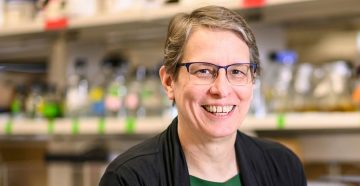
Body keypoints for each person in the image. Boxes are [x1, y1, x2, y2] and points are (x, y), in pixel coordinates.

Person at [100, 6, 307, 186]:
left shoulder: (283, 167)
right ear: (169, 81)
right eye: (204, 71)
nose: (222, 90)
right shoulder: (129, 178)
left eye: (236, 71)